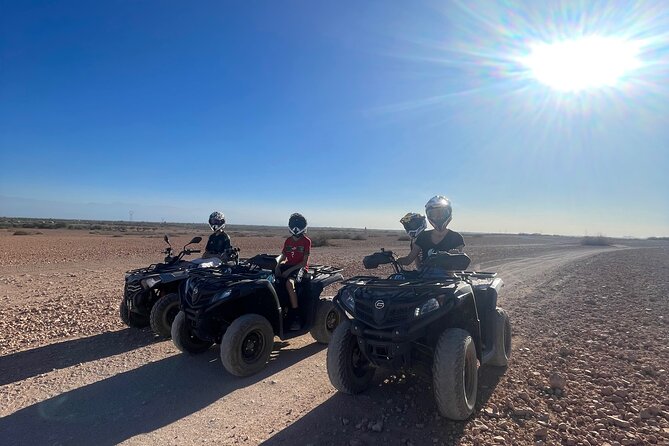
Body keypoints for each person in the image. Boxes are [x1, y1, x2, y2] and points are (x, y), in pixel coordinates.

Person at [397, 196, 465, 267]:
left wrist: (455, 256)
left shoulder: (456, 237)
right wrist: (393, 259)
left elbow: (458, 265)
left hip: (447, 277)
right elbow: (408, 260)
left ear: (449, 213)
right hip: (425, 277)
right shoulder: (423, 236)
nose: (438, 217)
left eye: (442, 213)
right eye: (434, 214)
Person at [275, 213, 311, 331]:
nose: (296, 227)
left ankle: (295, 315)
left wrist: (289, 271)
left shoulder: (306, 241)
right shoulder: (288, 240)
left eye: (299, 225)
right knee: (272, 279)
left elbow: (304, 262)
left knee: (289, 283)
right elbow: (284, 255)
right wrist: (277, 265)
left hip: (300, 268)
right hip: (289, 265)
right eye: (294, 225)